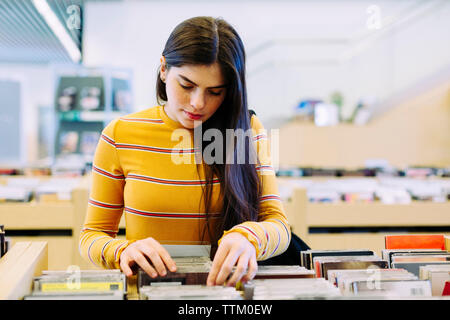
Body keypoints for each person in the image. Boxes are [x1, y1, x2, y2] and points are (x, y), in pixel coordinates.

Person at [79, 16, 291, 287]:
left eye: (215, 92)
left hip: (226, 294)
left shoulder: (245, 130)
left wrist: (248, 238)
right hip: (148, 291)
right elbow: (92, 236)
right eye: (187, 85)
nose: (198, 103)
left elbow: (279, 225)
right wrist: (121, 251)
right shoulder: (120, 134)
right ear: (164, 69)